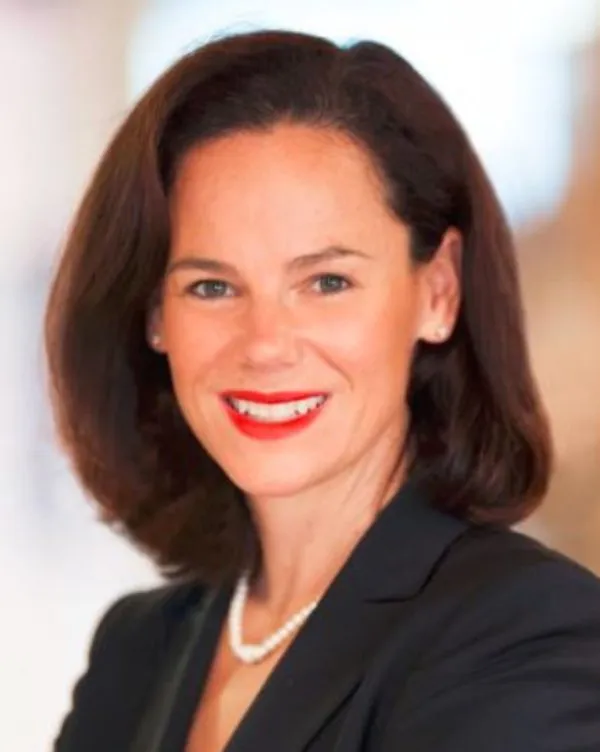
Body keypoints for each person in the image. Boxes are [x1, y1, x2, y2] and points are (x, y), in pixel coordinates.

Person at [46, 29, 600, 752]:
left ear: (438, 291)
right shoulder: (137, 649)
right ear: (156, 315)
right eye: (212, 286)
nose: (267, 343)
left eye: (326, 282)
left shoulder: (527, 631)